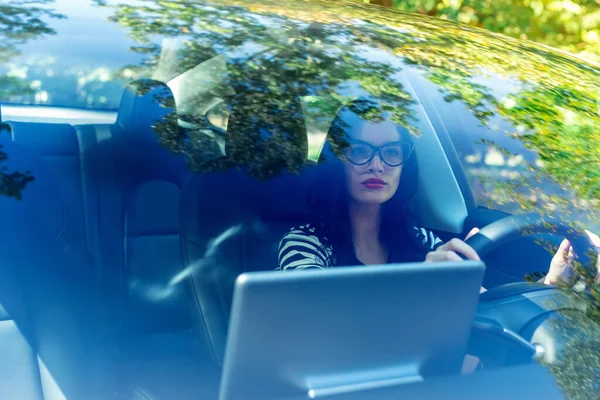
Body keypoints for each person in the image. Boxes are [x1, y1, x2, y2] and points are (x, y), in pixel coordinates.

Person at [276, 100, 600, 288]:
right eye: (360, 150)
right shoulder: (305, 243)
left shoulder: (422, 240)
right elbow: (317, 322)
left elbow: (485, 315)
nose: (377, 166)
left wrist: (553, 284)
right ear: (337, 160)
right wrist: (422, 287)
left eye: (391, 152)